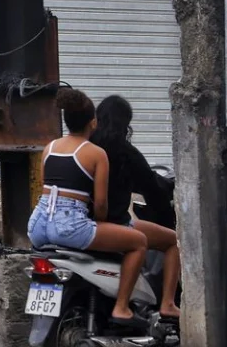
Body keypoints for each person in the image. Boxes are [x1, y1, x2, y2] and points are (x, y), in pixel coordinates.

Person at [27, 87, 151, 329]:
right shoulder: (96, 154)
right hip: (69, 225)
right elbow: (101, 203)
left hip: (38, 225)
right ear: (92, 122)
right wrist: (101, 221)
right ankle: (122, 308)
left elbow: (47, 188)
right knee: (139, 242)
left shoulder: (49, 148)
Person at [90, 95, 181, 320]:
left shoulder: (85, 147)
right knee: (173, 241)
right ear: (126, 123)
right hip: (114, 224)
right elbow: (151, 188)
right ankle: (168, 304)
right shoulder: (125, 152)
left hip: (82, 223)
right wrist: (164, 212)